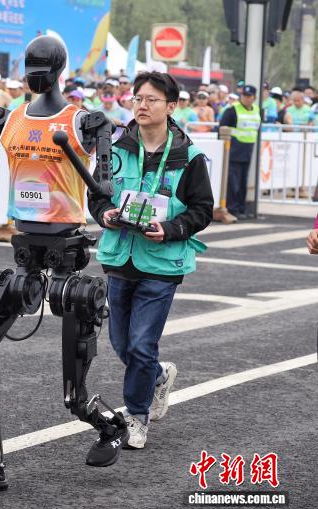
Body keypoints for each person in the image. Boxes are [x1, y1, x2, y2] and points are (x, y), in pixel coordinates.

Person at [89, 71, 213, 450]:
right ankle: (157, 376)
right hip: (120, 256)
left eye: (152, 100)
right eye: (137, 98)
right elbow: (97, 194)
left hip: (162, 262)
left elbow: (202, 209)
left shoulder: (189, 157)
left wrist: (171, 228)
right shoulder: (114, 148)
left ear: (171, 106)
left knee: (142, 344)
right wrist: (105, 213)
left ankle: (137, 416)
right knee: (122, 343)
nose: (142, 105)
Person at [219, 84, 261, 218]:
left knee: (243, 182)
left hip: (248, 151)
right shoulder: (232, 110)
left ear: (254, 98)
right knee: (233, 182)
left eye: (249, 96)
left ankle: (241, 208)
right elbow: (222, 129)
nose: (246, 98)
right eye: (244, 95)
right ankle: (233, 209)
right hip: (234, 151)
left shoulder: (257, 110)